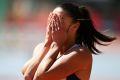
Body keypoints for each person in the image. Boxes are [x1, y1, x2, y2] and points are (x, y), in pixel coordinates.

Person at [21, 3, 116, 80]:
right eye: (52, 19)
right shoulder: (41, 48)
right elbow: (28, 76)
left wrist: (57, 45)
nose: (53, 25)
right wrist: (47, 44)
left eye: (59, 21)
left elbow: (41, 76)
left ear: (75, 26)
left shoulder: (81, 54)